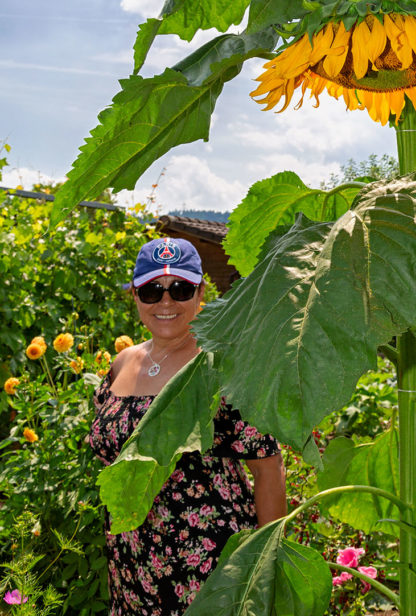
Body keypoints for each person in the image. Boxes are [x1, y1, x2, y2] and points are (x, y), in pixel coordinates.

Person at [89, 236, 286, 614]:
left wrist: (264, 571)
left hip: (207, 568)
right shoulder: (122, 363)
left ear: (200, 294)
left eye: (180, 289)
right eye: (152, 290)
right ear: (135, 296)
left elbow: (268, 468)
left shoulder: (223, 366)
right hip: (131, 566)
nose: (166, 302)